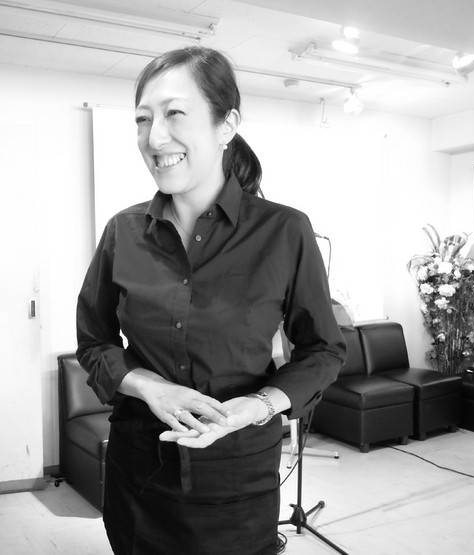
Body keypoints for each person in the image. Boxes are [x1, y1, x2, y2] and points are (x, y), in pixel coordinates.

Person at [76, 46, 345, 555]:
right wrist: (149, 386)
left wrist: (258, 406)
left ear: (227, 126)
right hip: (139, 471)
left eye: (175, 113)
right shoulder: (122, 232)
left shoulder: (285, 231)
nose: (154, 137)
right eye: (142, 119)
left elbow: (324, 350)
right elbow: (94, 342)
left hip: (237, 478)